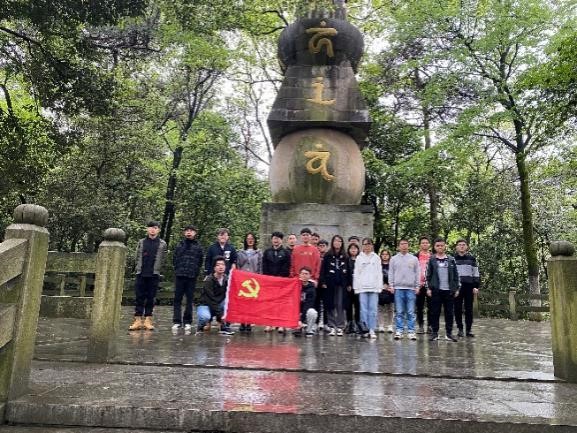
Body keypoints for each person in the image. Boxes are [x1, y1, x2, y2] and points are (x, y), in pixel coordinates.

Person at [129, 221, 168, 331]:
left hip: (154, 274)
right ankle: (137, 320)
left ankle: (148, 320)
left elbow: (164, 258)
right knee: (139, 297)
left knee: (151, 297)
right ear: (147, 229)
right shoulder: (141, 242)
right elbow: (137, 256)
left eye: (155, 228)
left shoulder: (162, 244)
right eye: (150, 227)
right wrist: (137, 268)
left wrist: (159, 269)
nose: (152, 230)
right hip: (141, 273)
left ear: (158, 230)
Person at [426, 238, 460, 342]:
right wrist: (428, 288)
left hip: (449, 291)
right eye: (438, 245)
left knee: (449, 313)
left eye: (442, 245)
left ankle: (449, 334)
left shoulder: (451, 259)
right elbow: (428, 275)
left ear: (445, 246)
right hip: (436, 290)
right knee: (434, 312)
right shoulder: (431, 259)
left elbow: (456, 275)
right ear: (434, 247)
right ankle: (435, 333)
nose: (440, 247)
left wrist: (457, 288)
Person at [171, 225, 203, 334]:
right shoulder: (180, 245)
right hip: (180, 275)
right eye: (187, 231)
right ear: (184, 233)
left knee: (189, 299)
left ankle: (187, 321)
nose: (189, 232)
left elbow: (200, 261)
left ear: (195, 233)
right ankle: (177, 321)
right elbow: (174, 259)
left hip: (191, 277)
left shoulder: (198, 247)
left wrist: (195, 272)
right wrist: (177, 269)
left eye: (191, 231)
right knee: (177, 299)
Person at [389, 239, 420, 340]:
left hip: (411, 288)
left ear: (408, 245)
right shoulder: (393, 259)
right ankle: (399, 330)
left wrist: (417, 286)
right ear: (398, 246)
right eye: (402, 244)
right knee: (399, 311)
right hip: (398, 288)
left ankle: (411, 331)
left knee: (411, 311)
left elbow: (417, 273)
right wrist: (391, 285)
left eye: (406, 244)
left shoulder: (414, 259)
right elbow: (391, 273)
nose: (404, 246)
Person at [196, 256, 235, 335]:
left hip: (218, 304)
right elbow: (211, 299)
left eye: (223, 264)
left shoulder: (227, 279)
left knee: (230, 304)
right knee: (205, 317)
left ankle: (224, 327)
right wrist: (220, 317)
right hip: (206, 304)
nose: (221, 267)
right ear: (214, 268)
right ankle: (201, 325)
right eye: (218, 265)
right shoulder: (209, 280)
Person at [352, 238, 382, 339]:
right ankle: (364, 329)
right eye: (365, 244)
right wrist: (356, 287)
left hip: (374, 287)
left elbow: (379, 273)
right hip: (362, 287)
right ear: (362, 246)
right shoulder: (359, 258)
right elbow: (356, 273)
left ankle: (372, 329)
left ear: (372, 245)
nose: (367, 246)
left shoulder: (376, 258)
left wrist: (379, 287)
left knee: (373, 309)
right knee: (363, 310)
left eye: (369, 244)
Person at [320, 235, 349, 336]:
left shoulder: (345, 256)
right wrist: (323, 282)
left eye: (339, 241)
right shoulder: (327, 255)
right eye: (335, 241)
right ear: (332, 242)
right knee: (330, 304)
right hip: (329, 284)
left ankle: (340, 326)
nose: (337, 243)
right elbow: (323, 270)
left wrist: (349, 283)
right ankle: (331, 326)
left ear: (342, 243)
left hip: (341, 284)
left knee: (340, 304)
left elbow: (349, 271)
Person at [262, 231, 291, 332]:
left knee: (281, 303)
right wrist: (268, 278)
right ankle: (269, 323)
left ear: (281, 240)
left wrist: (279, 278)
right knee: (269, 303)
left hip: (281, 282)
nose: (276, 240)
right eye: (274, 238)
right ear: (272, 240)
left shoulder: (286, 253)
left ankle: (281, 324)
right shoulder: (267, 252)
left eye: (278, 238)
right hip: (269, 282)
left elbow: (287, 267)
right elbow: (264, 266)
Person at [453, 239, 480, 337]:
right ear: (456, 247)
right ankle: (460, 329)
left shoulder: (472, 259)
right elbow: (451, 274)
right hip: (457, 287)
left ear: (467, 247)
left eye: (463, 244)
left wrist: (476, 286)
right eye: (459, 245)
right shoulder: (452, 259)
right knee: (457, 309)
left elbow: (476, 273)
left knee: (469, 309)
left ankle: (468, 330)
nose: (461, 246)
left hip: (469, 286)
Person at [237, 232, 263, 332]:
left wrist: (260, 278)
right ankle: (242, 322)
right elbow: (238, 266)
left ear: (254, 240)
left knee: (251, 303)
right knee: (243, 302)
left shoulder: (258, 253)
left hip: (253, 281)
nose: (250, 240)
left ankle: (249, 322)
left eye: (252, 238)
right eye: (248, 238)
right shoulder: (240, 252)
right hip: (243, 280)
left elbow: (260, 267)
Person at [293, 266, 318, 337]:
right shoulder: (294, 285)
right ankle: (296, 327)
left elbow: (308, 305)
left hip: (305, 311)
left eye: (306, 274)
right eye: (302, 273)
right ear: (299, 275)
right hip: (295, 310)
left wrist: (300, 319)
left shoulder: (312, 289)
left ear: (310, 275)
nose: (304, 275)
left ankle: (309, 330)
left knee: (312, 312)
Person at [415, 236, 432, 334]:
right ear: (419, 245)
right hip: (419, 285)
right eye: (423, 243)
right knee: (419, 306)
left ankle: (430, 326)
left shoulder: (433, 256)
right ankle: (420, 326)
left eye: (426, 243)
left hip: (430, 285)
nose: (424, 244)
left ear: (429, 245)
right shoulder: (415, 256)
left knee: (431, 306)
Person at [345, 242, 361, 334]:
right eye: (351, 248)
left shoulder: (360, 259)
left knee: (358, 306)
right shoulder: (347, 260)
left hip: (359, 286)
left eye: (355, 248)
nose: (353, 250)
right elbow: (346, 273)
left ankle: (358, 323)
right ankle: (349, 324)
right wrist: (348, 284)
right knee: (348, 306)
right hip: (349, 286)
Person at [378, 249, 394, 334]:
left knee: (390, 308)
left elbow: (395, 276)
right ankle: (381, 325)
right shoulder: (378, 265)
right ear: (380, 255)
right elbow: (375, 276)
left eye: (386, 254)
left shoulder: (392, 265)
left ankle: (390, 325)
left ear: (389, 256)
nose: (385, 256)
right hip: (380, 288)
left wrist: (390, 286)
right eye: (383, 254)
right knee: (380, 308)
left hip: (390, 288)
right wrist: (381, 285)